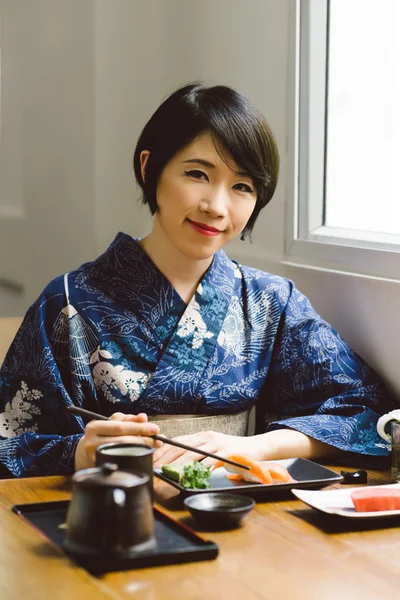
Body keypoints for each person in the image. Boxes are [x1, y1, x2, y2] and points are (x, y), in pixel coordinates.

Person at [0, 83, 395, 478]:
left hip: (239, 513)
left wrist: (252, 446)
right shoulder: (68, 301)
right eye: (197, 174)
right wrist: (82, 452)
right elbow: (9, 443)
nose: (216, 207)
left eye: (242, 186)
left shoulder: (270, 301)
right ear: (148, 168)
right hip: (110, 514)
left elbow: (370, 415)